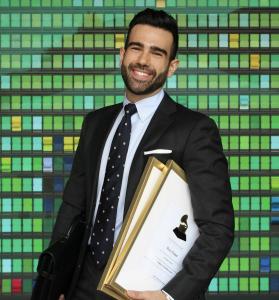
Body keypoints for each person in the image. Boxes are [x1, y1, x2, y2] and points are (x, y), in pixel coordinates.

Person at [51, 8, 234, 300]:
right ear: (122, 54)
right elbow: (74, 207)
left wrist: (168, 296)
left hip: (144, 291)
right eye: (137, 48)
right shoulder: (95, 123)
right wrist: (56, 284)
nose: (143, 61)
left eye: (157, 53)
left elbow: (218, 228)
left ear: (172, 66)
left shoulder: (195, 130)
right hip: (81, 286)